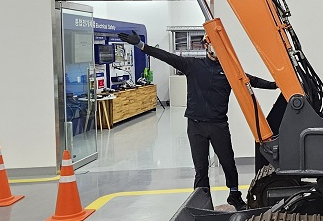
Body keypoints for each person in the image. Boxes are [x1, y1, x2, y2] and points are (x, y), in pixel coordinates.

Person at [118, 31, 277, 210]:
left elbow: (251, 81)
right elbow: (166, 56)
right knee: (200, 168)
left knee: (229, 164)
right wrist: (141, 45)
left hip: (218, 125)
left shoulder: (230, 71)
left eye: (220, 47)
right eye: (213, 45)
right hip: (195, 126)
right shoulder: (192, 65)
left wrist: (276, 84)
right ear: (206, 46)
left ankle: (234, 196)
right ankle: (203, 202)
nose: (216, 49)